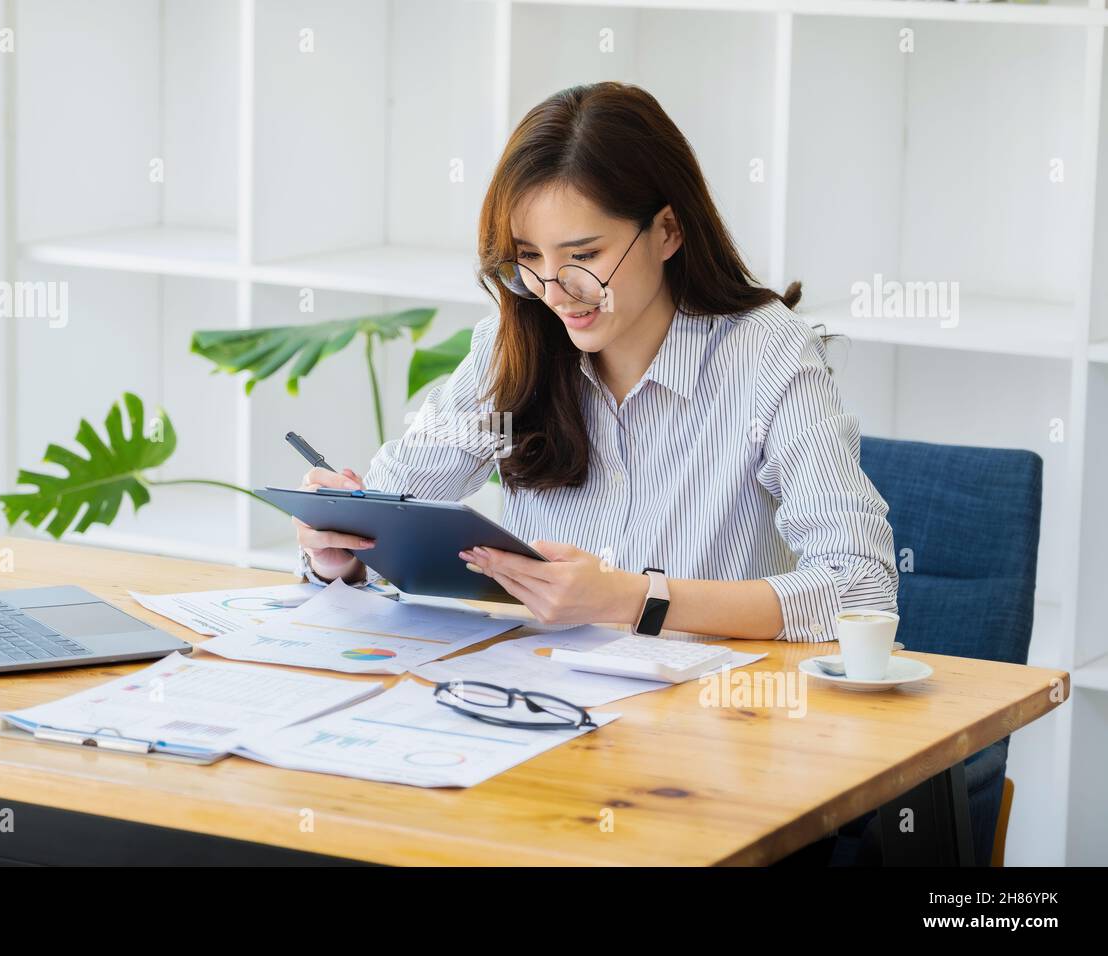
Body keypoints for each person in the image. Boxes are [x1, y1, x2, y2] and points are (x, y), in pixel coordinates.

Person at [294, 81, 897, 642]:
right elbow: (389, 509)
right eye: (530, 257)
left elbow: (860, 587)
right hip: (539, 696)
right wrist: (341, 552)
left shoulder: (769, 356)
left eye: (583, 256)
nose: (555, 292)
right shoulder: (510, 346)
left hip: (707, 707)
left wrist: (633, 599)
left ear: (667, 231)